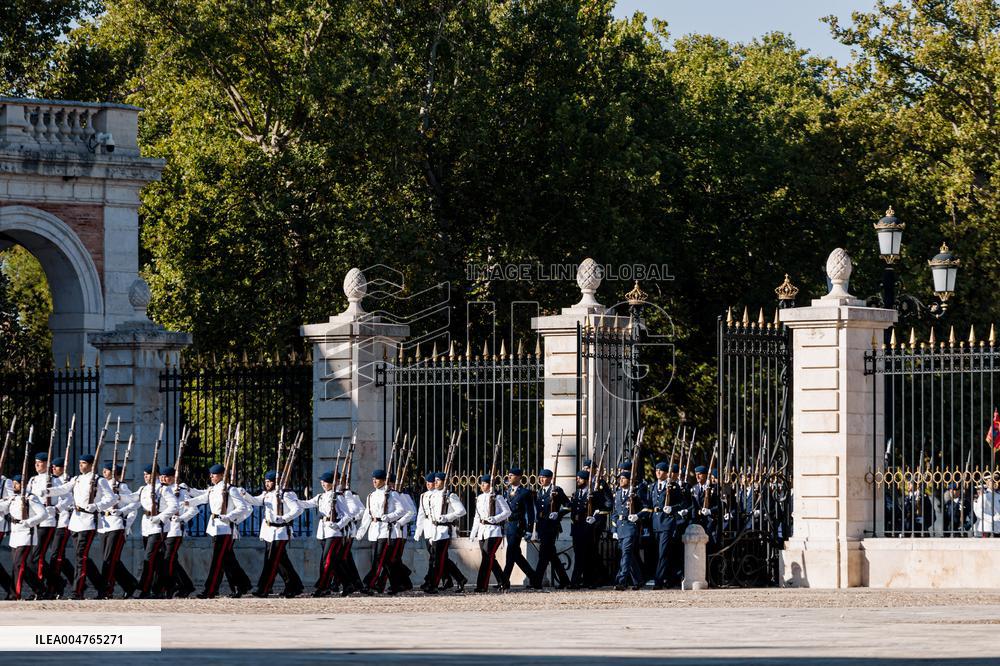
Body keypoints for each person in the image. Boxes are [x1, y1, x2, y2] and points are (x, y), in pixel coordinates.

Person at [44, 453, 117, 599]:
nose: (80, 466)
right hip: (75, 522)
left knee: (80, 556)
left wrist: (97, 506)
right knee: (83, 558)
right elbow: (64, 489)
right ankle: (102, 586)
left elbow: (112, 498)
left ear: (91, 465)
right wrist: (47, 491)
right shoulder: (76, 479)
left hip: (88, 521)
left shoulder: (99, 480)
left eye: (83, 463)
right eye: (80, 463)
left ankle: (77, 591)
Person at [186, 463, 253, 598]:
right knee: (227, 561)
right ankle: (242, 585)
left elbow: (243, 507)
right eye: (211, 474)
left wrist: (228, 516)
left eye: (214, 474)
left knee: (217, 561)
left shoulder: (231, 490)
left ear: (222, 475)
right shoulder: (213, 489)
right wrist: (187, 502)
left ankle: (210, 590)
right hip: (215, 528)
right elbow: (202, 498)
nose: (211, 476)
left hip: (224, 529)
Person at [243, 470, 304, 598]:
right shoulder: (267, 494)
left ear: (276, 482)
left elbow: (298, 509)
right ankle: (294, 586)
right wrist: (244, 494)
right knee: (281, 562)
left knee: (271, 561)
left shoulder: (285, 494)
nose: (267, 484)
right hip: (269, 532)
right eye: (265, 481)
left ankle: (264, 588)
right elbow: (255, 501)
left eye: (269, 481)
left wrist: (284, 518)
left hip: (281, 532)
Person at [299, 470, 355, 596]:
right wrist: (292, 500)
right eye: (322, 481)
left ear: (331, 483)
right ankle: (348, 584)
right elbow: (306, 504)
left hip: (334, 533)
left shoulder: (338, 496)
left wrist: (338, 525)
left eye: (326, 481)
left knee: (327, 561)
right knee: (335, 562)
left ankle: (323, 587)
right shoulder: (320, 496)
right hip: (323, 532)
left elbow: (347, 515)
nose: (323, 483)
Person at [132, 463, 178, 598]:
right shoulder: (143, 489)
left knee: (148, 558)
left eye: (148, 474)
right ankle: (164, 587)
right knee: (157, 561)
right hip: (147, 527)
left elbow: (174, 506)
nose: (146, 477)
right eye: (145, 475)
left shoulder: (163, 489)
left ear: (156, 475)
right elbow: (132, 501)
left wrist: (160, 517)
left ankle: (143, 589)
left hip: (159, 528)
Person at [357, 468, 406, 594]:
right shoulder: (370, 496)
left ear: (384, 481)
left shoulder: (392, 494)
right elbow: (368, 515)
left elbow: (402, 510)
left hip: (386, 531)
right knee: (386, 562)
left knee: (378, 559)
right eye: (373, 479)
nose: (374, 481)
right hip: (374, 531)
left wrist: (389, 517)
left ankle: (368, 584)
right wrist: (361, 531)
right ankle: (395, 585)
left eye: (377, 479)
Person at [415, 472, 465, 591]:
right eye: (435, 480)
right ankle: (458, 578)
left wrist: (447, 517)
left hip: (443, 531)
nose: (435, 482)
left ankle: (433, 584)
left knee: (437, 560)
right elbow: (423, 514)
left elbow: (461, 511)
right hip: (431, 530)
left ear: (445, 482)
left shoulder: (449, 495)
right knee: (438, 558)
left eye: (438, 480)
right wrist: (419, 530)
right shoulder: (429, 496)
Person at [97, 462, 140, 599]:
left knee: (109, 560)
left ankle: (105, 589)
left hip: (116, 524)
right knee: (110, 560)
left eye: (108, 470)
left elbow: (135, 503)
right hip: (103, 525)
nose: (104, 472)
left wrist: (122, 513)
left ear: (115, 473)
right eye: (104, 470)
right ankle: (130, 584)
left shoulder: (121, 486)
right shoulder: (102, 485)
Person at [155, 466, 199, 598]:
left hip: (175, 530)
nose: (163, 478)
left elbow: (194, 509)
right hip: (163, 529)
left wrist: (181, 519)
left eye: (167, 476)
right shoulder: (160, 490)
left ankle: (168, 587)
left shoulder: (180, 490)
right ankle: (185, 585)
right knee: (170, 560)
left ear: (174, 477)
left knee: (168, 559)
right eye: (162, 476)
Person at [647, 461, 689, 589]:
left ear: (666, 473)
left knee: (663, 552)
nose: (658, 472)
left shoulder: (673, 486)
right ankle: (669, 578)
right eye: (656, 470)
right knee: (659, 553)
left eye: (661, 470)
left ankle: (658, 581)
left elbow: (683, 504)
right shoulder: (652, 487)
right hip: (655, 522)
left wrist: (672, 508)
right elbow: (649, 505)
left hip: (667, 522)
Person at [26, 452, 61, 598]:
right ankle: (57, 583)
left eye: (39, 462)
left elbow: (67, 498)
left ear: (47, 464)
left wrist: (56, 508)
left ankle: (39, 590)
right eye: (35, 462)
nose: (36, 465)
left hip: (47, 522)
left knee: (37, 557)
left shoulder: (55, 480)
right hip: (34, 522)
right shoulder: (33, 480)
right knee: (33, 558)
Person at [469, 474, 511, 593]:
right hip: (482, 531)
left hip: (494, 531)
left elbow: (507, 512)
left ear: (491, 484)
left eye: (485, 483)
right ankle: (504, 581)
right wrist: (473, 532)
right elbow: (477, 517)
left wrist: (496, 518)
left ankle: (482, 586)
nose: (482, 485)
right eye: (481, 483)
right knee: (489, 558)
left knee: (487, 558)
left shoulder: (497, 497)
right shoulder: (480, 497)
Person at [7, 475, 46, 600]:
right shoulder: (13, 498)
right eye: (13, 483)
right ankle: (40, 589)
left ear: (22, 485)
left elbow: (43, 514)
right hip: (15, 534)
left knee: (18, 565)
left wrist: (29, 522)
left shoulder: (31, 498)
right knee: (22, 566)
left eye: (16, 484)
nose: (14, 486)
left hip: (26, 534)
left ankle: (15, 594)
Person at [568, 469, 608, 589]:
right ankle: (582, 580)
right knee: (579, 555)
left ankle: (581, 581)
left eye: (580, 479)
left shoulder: (594, 494)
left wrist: (594, 518)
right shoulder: (576, 494)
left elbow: (602, 509)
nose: (578, 480)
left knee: (588, 555)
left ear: (586, 480)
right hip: (577, 529)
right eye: (577, 478)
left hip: (588, 528)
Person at [531, 468, 570, 589]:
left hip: (552, 527)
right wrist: (536, 530)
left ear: (550, 478)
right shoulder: (539, 492)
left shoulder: (556, 490)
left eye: (544, 477)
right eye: (540, 477)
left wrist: (559, 513)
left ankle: (536, 583)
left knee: (543, 555)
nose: (541, 479)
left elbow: (568, 505)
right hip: (542, 527)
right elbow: (538, 513)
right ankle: (565, 581)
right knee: (551, 555)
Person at [501, 467, 536, 586]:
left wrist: (530, 530)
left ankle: (504, 581)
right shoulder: (506, 492)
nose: (509, 477)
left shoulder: (525, 493)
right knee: (516, 555)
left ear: (519, 477)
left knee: (510, 553)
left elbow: (530, 513)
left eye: (512, 475)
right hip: (508, 525)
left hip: (518, 525)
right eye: (509, 475)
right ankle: (534, 577)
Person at [611, 469, 646, 590]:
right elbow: (614, 513)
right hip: (620, 527)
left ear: (629, 480)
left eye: (623, 478)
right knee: (629, 556)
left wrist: (637, 516)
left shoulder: (636, 493)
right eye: (620, 478)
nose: (620, 480)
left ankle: (621, 581)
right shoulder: (618, 493)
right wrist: (614, 530)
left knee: (626, 554)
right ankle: (639, 580)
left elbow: (647, 508)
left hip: (630, 527)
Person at [47, 456, 75, 597]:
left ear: (63, 468)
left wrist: (57, 509)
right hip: (52, 521)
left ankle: (53, 587)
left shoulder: (70, 480)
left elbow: (70, 500)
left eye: (56, 467)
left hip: (64, 521)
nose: (53, 469)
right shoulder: (52, 480)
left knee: (56, 555)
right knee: (59, 556)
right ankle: (71, 580)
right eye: (52, 466)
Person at [386, 473, 415, 593]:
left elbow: (411, 512)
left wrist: (399, 522)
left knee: (394, 559)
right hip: (389, 532)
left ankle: (400, 583)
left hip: (399, 532)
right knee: (393, 559)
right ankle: (405, 581)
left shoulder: (403, 496)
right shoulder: (388, 495)